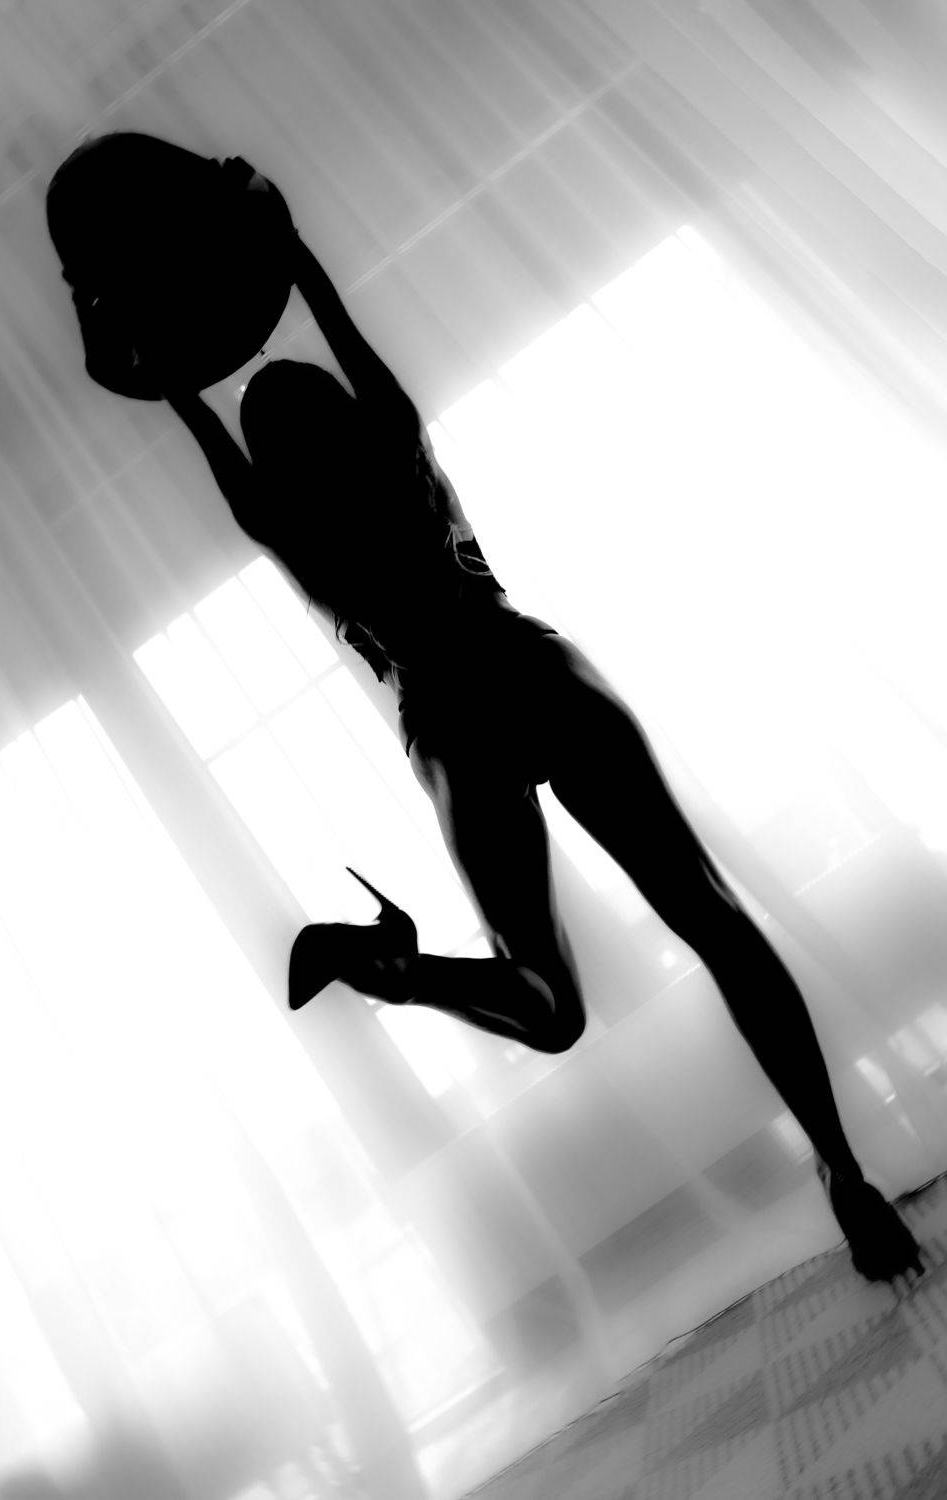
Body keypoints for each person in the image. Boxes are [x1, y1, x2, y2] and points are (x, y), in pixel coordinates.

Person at [82, 159, 923, 1285]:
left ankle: (393, 968)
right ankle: (842, 1170)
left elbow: (190, 415)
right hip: (533, 671)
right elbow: (335, 327)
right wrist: (283, 245)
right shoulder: (393, 440)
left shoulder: (283, 523)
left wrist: (156, 361)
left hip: (449, 723)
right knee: (713, 918)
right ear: (343, 411)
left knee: (547, 1004)